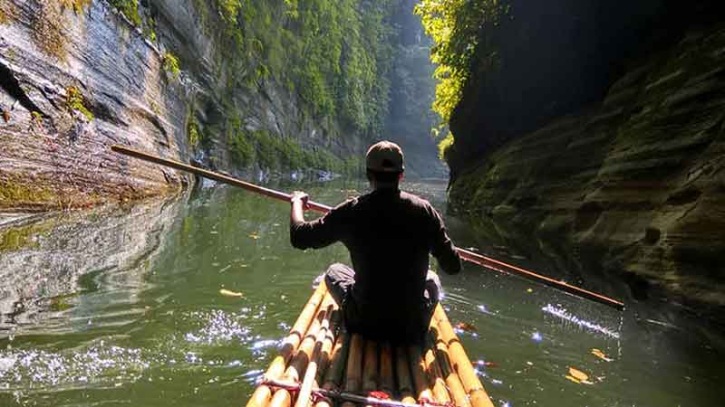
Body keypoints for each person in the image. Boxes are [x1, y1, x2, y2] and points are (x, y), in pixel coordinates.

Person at [289, 140, 461, 344]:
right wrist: (441, 241)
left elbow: (299, 236)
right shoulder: (424, 211)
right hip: (412, 327)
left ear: (368, 175)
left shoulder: (352, 211)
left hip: (363, 323)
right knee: (432, 278)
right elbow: (453, 266)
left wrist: (297, 202)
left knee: (334, 270)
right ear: (401, 175)